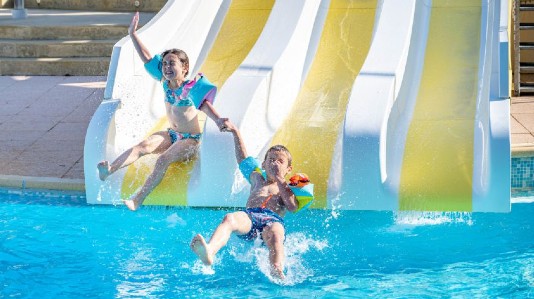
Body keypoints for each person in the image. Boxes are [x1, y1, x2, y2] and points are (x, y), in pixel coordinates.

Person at [97, 12, 228, 211]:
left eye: (172, 63)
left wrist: (218, 120)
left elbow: (204, 106)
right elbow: (148, 58)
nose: (166, 67)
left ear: (184, 68)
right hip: (172, 134)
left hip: (190, 140)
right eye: (165, 63)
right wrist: (133, 35)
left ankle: (138, 198)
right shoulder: (165, 83)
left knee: (163, 158)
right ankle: (110, 170)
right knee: (142, 146)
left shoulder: (190, 88)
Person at [190, 121, 312, 280]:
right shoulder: (257, 178)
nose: (274, 163)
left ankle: (277, 269)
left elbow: (292, 207)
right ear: (263, 164)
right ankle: (210, 251)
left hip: (272, 220)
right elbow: (243, 159)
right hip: (250, 217)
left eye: (280, 161)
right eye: (271, 159)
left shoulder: (288, 187)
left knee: (276, 232)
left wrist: (280, 179)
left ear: (289, 169)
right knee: (230, 218)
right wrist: (235, 132)